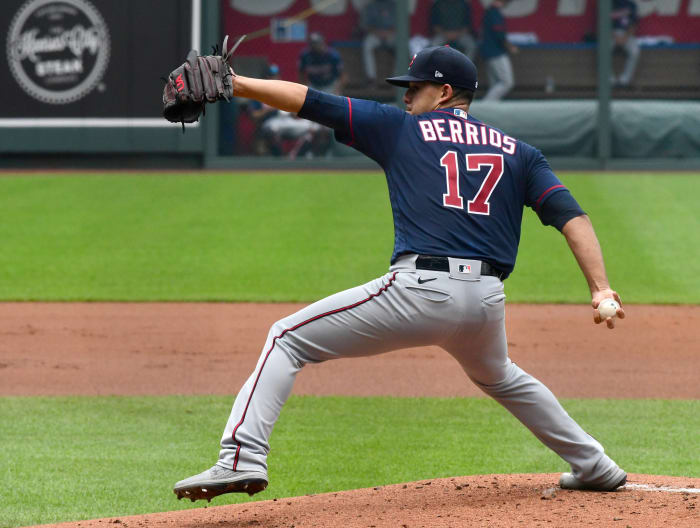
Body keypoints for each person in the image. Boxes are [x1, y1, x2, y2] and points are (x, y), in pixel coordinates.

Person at [173, 44, 628, 502]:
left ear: (445, 92)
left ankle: (240, 458)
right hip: (487, 301)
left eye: (415, 87)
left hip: (421, 290)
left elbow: (309, 100)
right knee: (500, 377)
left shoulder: (400, 130)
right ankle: (595, 465)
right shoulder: (521, 153)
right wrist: (600, 287)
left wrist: (237, 83)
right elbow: (573, 218)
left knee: (286, 338)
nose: (406, 97)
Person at [248, 64, 328, 158]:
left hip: (289, 120)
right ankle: (280, 159)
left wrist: (295, 112)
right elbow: (254, 116)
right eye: (271, 76)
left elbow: (296, 111)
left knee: (317, 128)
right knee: (271, 130)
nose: (275, 78)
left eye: (276, 76)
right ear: (265, 78)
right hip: (273, 121)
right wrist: (269, 109)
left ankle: (298, 156)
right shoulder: (258, 93)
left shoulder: (286, 90)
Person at [480, 0, 517, 101]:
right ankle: (484, 106)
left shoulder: (489, 11)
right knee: (507, 82)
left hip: (489, 52)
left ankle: (488, 109)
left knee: (495, 84)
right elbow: (499, 34)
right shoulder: (494, 13)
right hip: (496, 52)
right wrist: (510, 47)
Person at [361, 0, 396, 85]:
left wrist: (389, 32)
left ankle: (397, 77)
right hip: (375, 34)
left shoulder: (394, 5)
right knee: (367, 45)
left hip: (391, 34)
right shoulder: (370, 6)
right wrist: (377, 32)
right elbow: (365, 25)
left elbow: (400, 24)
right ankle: (371, 77)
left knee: (401, 45)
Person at [611, 0, 640, 87]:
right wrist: (614, 36)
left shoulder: (631, 5)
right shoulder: (608, 4)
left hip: (627, 34)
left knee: (635, 51)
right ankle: (609, 79)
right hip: (611, 34)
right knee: (603, 50)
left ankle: (624, 80)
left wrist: (625, 37)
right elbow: (603, 23)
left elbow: (634, 25)